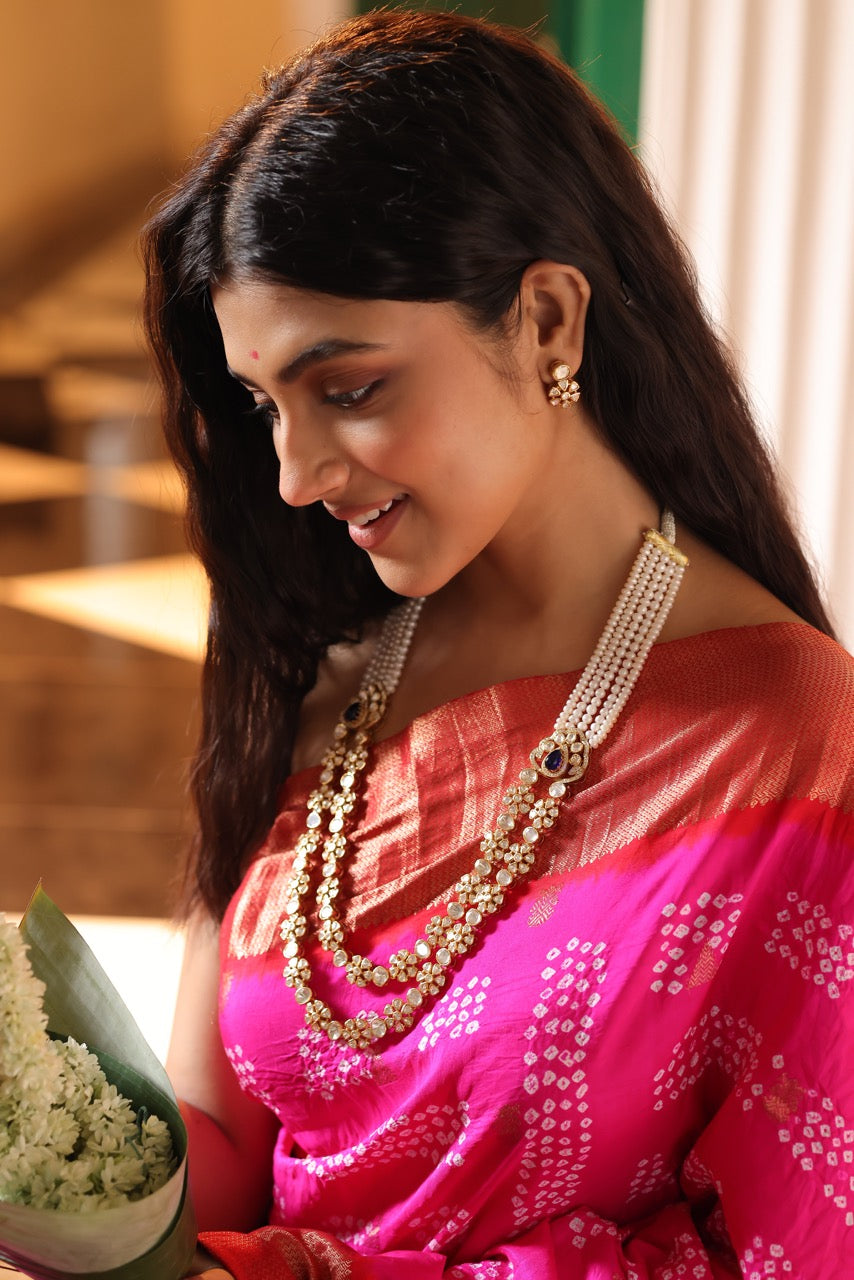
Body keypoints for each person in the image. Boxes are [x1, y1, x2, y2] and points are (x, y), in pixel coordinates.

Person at [142, 10, 853, 1278]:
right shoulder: (310, 643)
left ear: (543, 322)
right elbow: (216, 1144)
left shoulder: (795, 756)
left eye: (348, 388)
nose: (294, 474)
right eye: (263, 405)